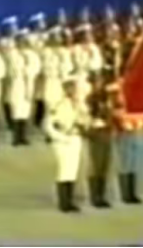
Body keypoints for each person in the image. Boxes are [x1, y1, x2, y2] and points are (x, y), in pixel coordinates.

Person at [43, 78, 86, 213]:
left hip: (75, 139)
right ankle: (63, 202)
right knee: (64, 170)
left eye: (75, 89)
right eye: (71, 88)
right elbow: (48, 125)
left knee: (72, 171)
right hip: (63, 141)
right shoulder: (59, 105)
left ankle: (70, 201)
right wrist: (61, 138)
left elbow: (83, 119)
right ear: (66, 90)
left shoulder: (78, 104)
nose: (74, 91)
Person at [85, 74, 116, 208]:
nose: (100, 85)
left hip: (106, 132)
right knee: (96, 165)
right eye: (97, 82)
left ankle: (101, 195)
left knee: (104, 165)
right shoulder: (90, 99)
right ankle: (95, 197)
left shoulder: (106, 97)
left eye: (101, 82)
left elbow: (110, 112)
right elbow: (87, 116)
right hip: (96, 133)